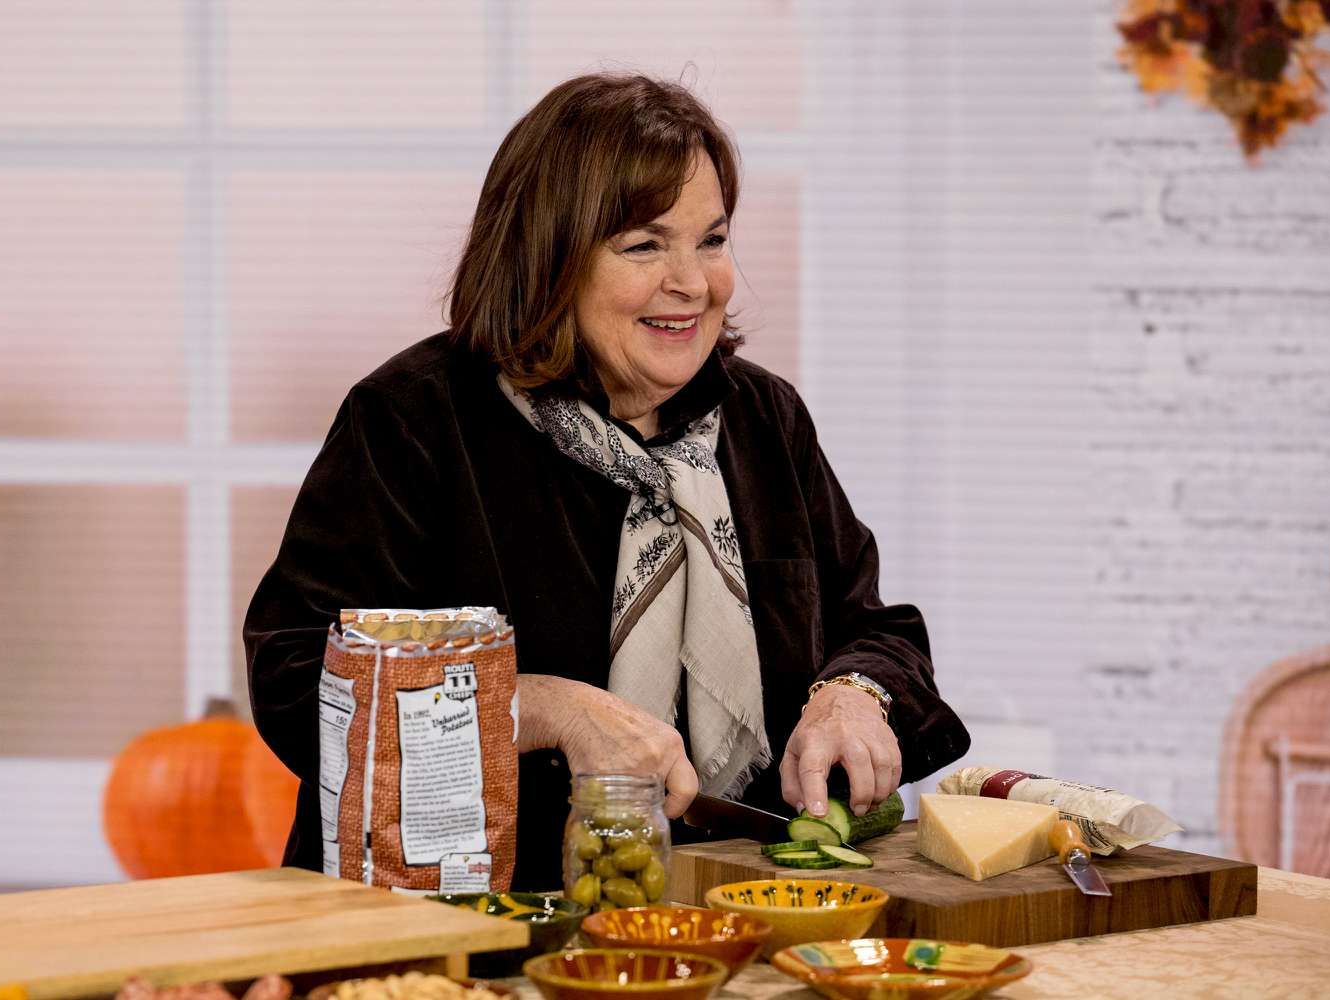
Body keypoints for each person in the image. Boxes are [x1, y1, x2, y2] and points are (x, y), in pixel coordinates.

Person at [244, 72, 969, 890]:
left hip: (734, 918)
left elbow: (879, 629)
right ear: (550, 256)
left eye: (713, 240)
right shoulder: (411, 420)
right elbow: (297, 679)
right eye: (644, 245)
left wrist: (855, 694)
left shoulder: (765, 419)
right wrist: (536, 707)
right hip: (457, 932)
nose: (693, 282)